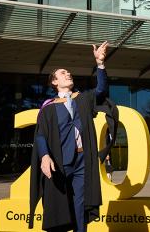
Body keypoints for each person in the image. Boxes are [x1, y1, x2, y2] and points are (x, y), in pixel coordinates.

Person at [29, 41, 117, 232]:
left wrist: (100, 63)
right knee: (58, 205)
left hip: (82, 160)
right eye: (62, 73)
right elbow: (41, 135)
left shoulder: (83, 99)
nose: (67, 74)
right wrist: (44, 156)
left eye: (68, 72)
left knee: (80, 204)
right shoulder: (49, 107)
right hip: (60, 162)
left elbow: (101, 90)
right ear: (54, 82)